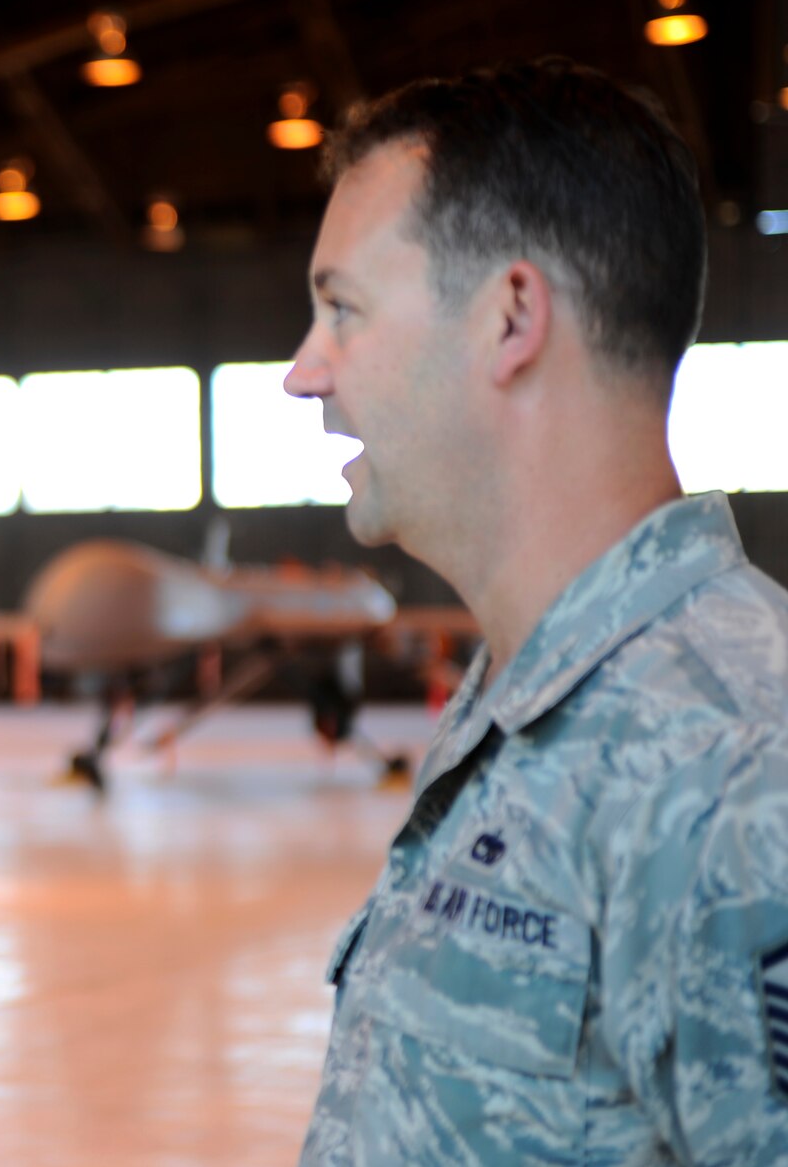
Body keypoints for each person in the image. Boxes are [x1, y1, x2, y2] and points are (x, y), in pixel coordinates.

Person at [285, 56, 788, 1164]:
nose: (302, 372)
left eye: (340, 310)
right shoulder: (518, 707)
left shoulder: (735, 769)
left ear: (510, 316)